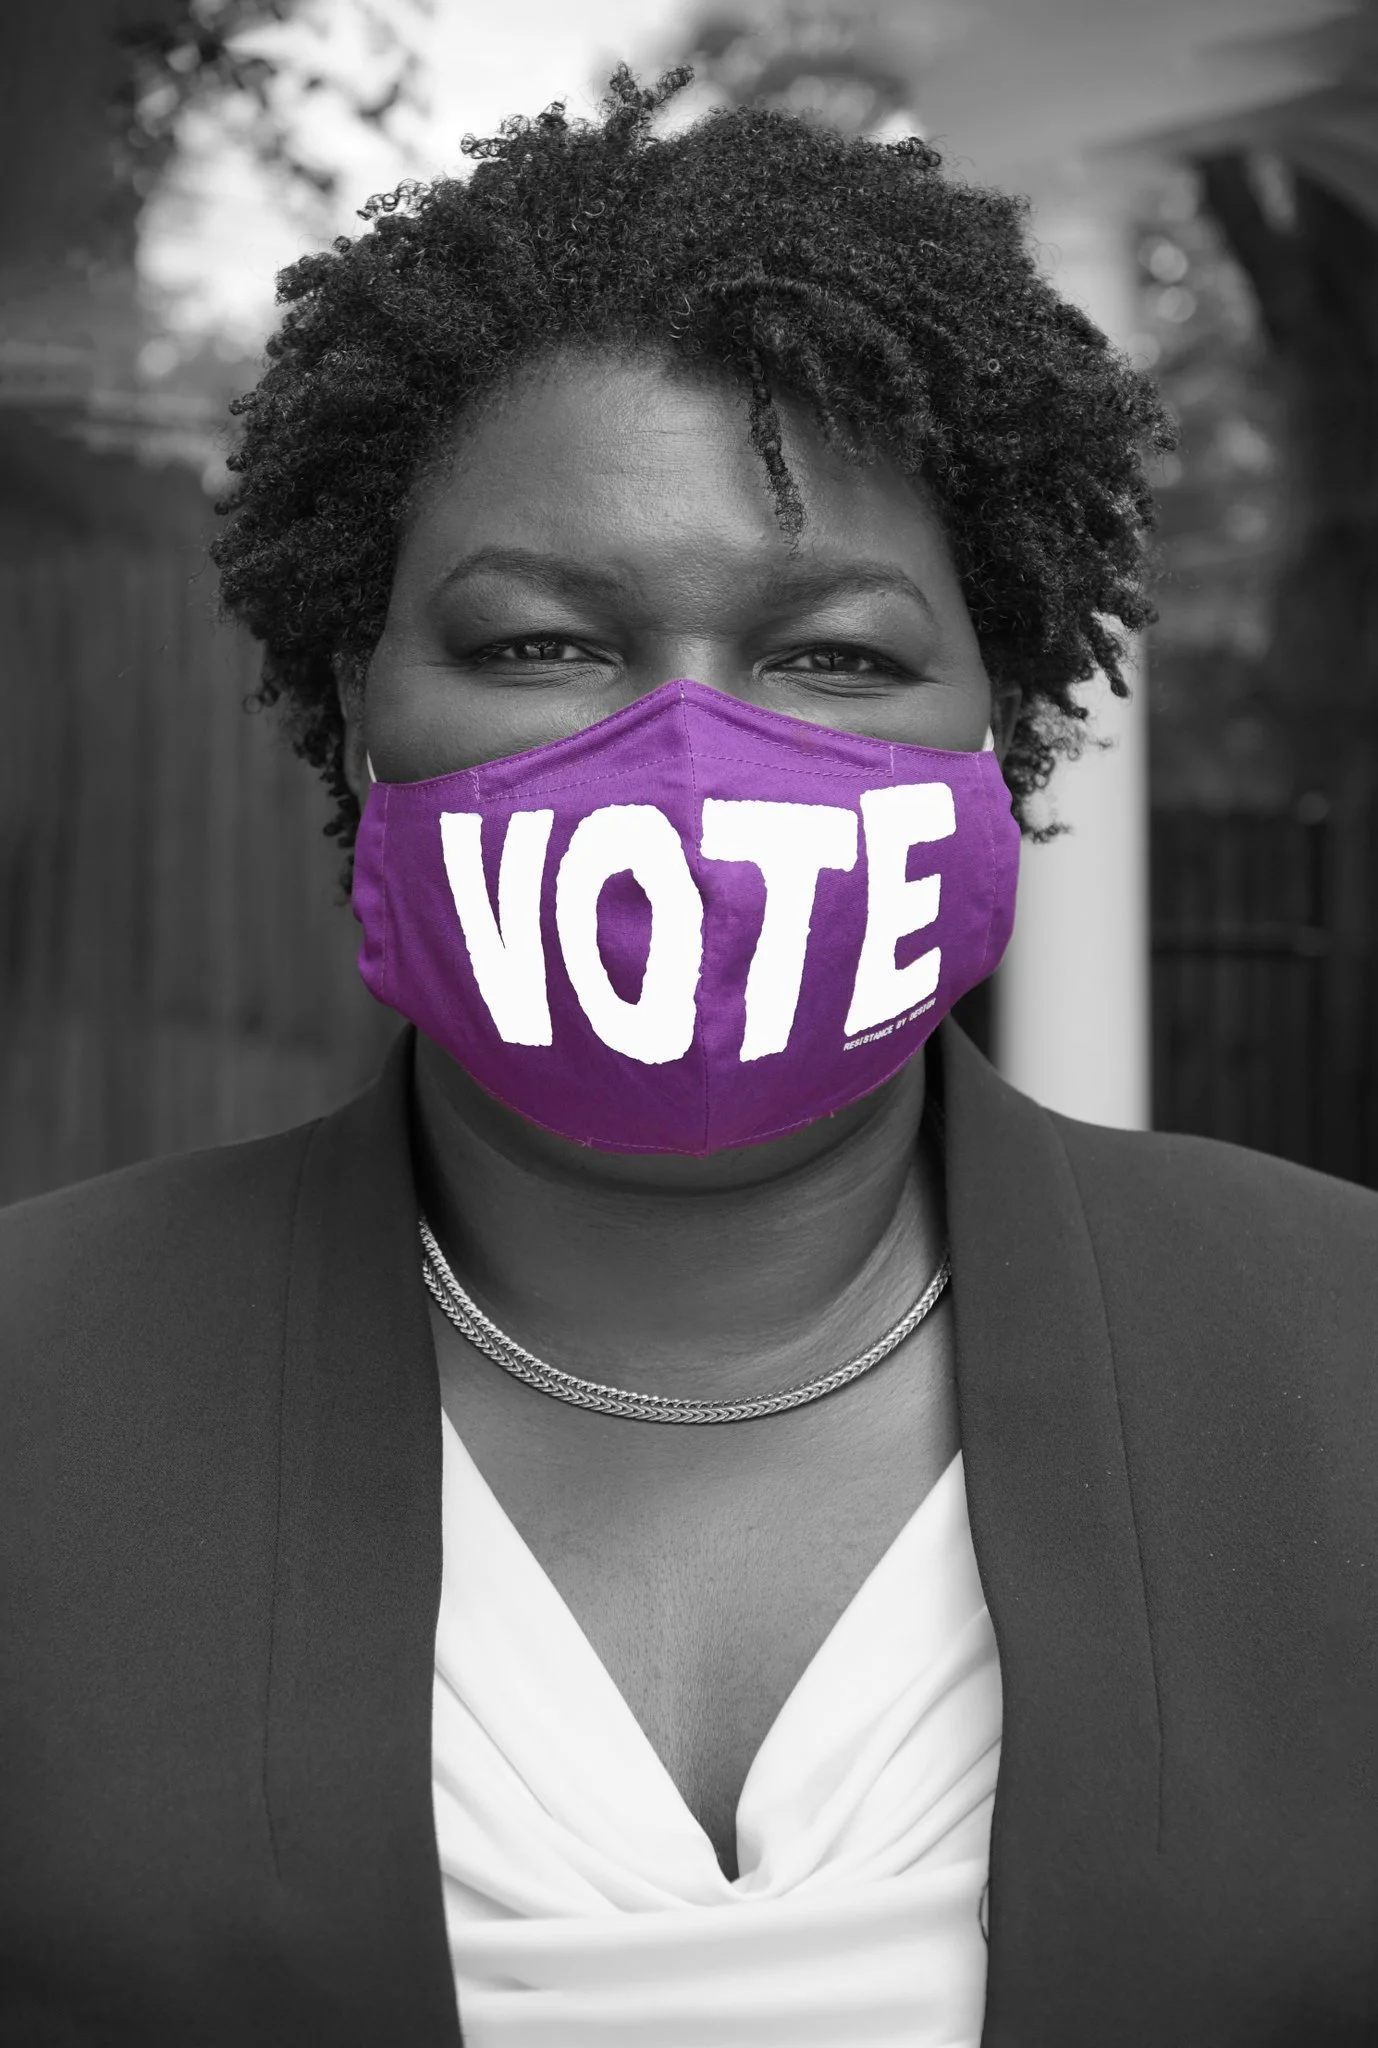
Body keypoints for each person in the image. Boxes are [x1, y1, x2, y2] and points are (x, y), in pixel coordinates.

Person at [2, 66, 1375, 2048]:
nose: (684, 761)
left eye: (829, 653)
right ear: (354, 705)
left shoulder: (1336, 1356)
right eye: (544, 642)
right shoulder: (35, 1379)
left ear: (996, 724)